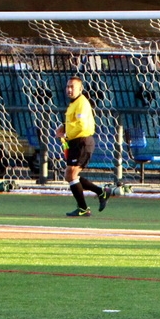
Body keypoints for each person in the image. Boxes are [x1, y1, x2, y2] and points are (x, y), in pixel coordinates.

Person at [56, 76, 109, 217]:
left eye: (72, 87)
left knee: (71, 174)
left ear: (80, 89)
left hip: (82, 142)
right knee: (70, 175)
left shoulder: (82, 103)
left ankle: (84, 208)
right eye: (67, 86)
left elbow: (82, 125)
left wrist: (66, 132)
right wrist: (63, 127)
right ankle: (100, 192)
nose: (69, 89)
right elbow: (73, 122)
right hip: (75, 142)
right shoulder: (73, 104)